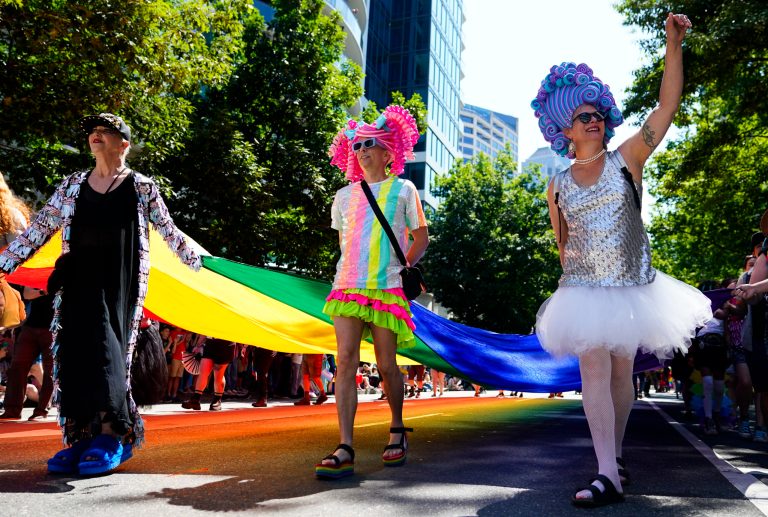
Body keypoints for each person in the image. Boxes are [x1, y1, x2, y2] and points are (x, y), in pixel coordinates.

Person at [531, 15, 711, 507]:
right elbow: (562, 244)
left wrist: (672, 46)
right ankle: (606, 471)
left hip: (630, 286)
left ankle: (615, 456)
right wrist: (570, 284)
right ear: (566, 129)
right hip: (583, 290)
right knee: (593, 369)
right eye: (584, 116)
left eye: (599, 115)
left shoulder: (627, 158)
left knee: (618, 375)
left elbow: (667, 105)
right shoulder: (557, 184)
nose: (595, 121)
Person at [0, 113, 201, 476]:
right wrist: (4, 263)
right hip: (77, 281)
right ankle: (80, 438)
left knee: (109, 355)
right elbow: (41, 227)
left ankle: (112, 436)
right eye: (92, 132)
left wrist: (199, 262)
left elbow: (169, 230)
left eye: (105, 132)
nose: (95, 136)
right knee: (75, 355)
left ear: (123, 143)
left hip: (120, 285)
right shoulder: (73, 185)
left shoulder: (141, 187)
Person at [316, 105, 428, 479]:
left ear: (387, 152)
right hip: (347, 287)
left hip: (386, 288)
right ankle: (345, 445)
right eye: (358, 145)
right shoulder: (343, 196)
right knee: (345, 362)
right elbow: (345, 243)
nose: (363, 150)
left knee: (385, 365)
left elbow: (421, 237)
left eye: (371, 144)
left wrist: (402, 267)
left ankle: (396, 427)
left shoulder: (404, 189)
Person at [181, 337, 236, 411]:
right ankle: (195, 399)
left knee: (219, 374)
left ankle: (217, 400)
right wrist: (198, 345)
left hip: (226, 342)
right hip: (211, 341)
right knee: (203, 371)